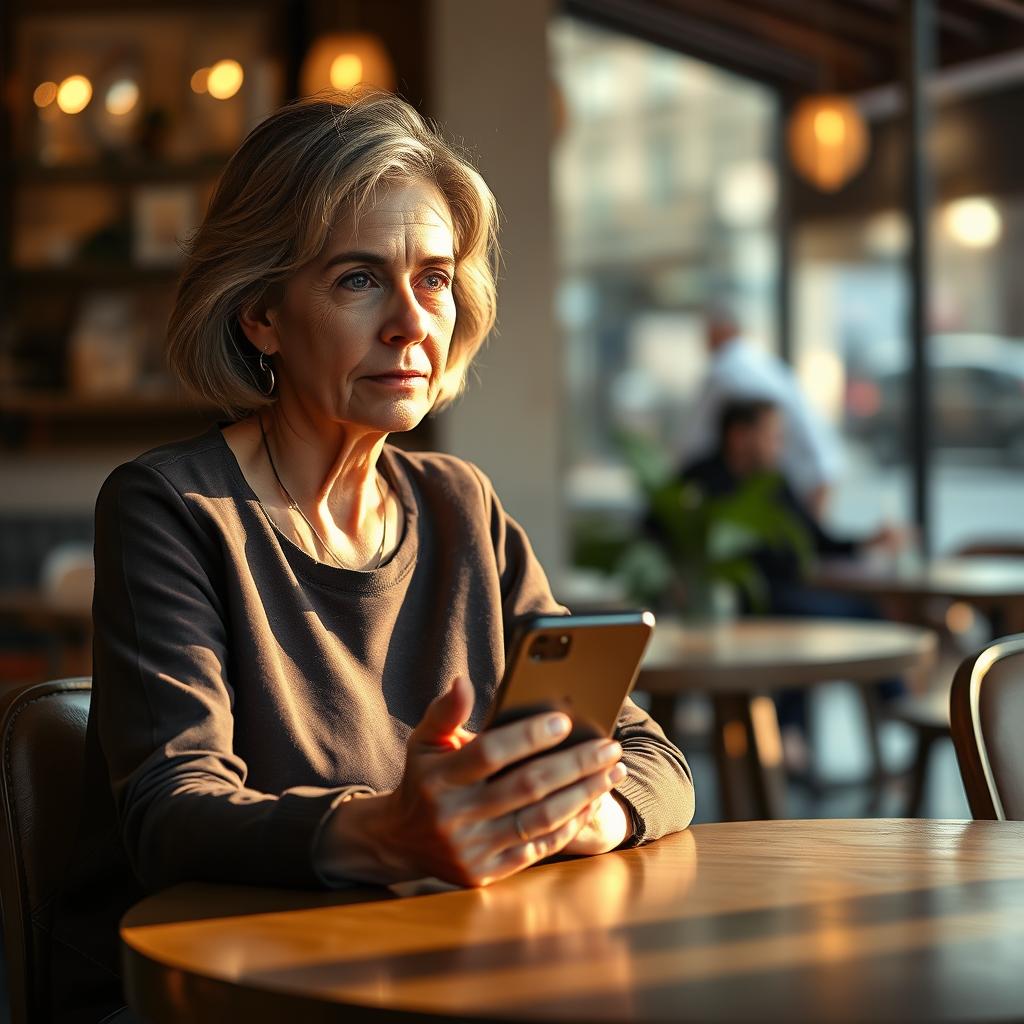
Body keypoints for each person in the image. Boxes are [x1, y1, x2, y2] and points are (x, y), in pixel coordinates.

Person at [49, 90, 695, 1022]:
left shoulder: (458, 503)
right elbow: (170, 812)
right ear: (261, 314)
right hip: (225, 990)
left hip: (431, 974)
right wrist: (389, 830)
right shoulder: (172, 506)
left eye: (433, 278)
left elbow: (648, 755)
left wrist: (576, 814)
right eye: (358, 279)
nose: (410, 323)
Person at [680, 399, 904, 768]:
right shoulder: (700, 482)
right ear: (739, 436)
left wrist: (869, 542)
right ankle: (889, 709)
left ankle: (805, 730)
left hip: (785, 597)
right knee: (837, 619)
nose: (778, 445)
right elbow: (661, 535)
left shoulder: (773, 481)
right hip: (734, 607)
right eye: (771, 435)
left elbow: (815, 539)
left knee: (855, 613)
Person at [678, 303, 843, 518]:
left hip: (766, 489)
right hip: (804, 480)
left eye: (706, 336)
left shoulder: (726, 366)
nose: (703, 345)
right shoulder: (767, 365)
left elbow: (693, 442)